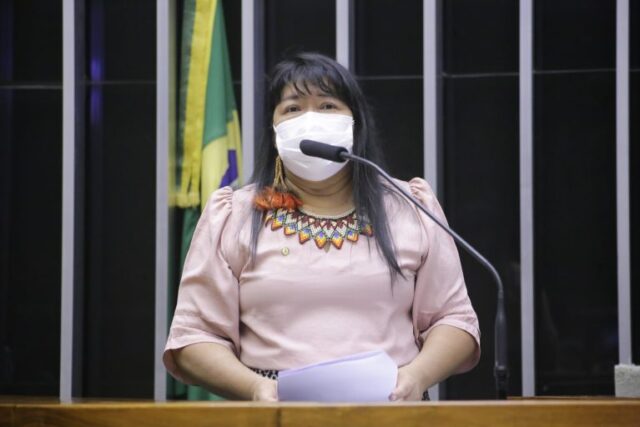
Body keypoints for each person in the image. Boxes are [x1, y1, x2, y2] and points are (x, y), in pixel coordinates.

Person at [164, 52, 480, 402]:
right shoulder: (233, 215)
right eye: (292, 108)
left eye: (328, 106)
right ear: (274, 129)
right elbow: (194, 337)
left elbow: (455, 321)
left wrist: (416, 377)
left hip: (392, 408)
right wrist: (256, 387)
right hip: (275, 410)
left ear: (356, 123)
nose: (310, 120)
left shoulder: (411, 207)